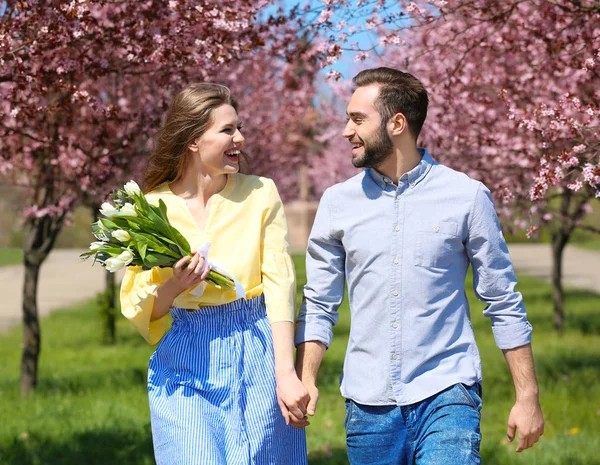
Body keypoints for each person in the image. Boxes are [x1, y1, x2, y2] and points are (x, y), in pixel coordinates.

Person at [294, 67, 544, 464]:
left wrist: (527, 397)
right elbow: (320, 301)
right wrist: (305, 377)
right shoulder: (337, 203)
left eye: (358, 119)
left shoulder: (467, 197)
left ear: (397, 123)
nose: (346, 131)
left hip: (447, 391)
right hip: (368, 403)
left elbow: (502, 299)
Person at [120, 83, 308, 465]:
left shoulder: (260, 193)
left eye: (239, 128)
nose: (239, 138)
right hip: (186, 354)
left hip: (256, 347)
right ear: (192, 140)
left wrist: (286, 373)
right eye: (227, 130)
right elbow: (142, 308)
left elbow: (279, 282)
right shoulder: (151, 207)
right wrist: (176, 285)